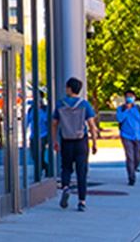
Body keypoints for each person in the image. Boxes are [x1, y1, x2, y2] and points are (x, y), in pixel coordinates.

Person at [52, 76, 98, 212]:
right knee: (81, 171)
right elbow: (91, 125)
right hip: (81, 141)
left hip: (66, 140)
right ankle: (81, 201)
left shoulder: (60, 104)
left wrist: (55, 140)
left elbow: (54, 123)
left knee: (66, 167)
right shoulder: (84, 105)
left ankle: (65, 187)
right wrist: (95, 142)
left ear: (69, 88)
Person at [116, 90, 140, 185]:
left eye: (131, 96)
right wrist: (127, 110)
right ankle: (131, 177)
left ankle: (135, 167)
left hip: (138, 136)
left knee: (137, 157)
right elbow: (119, 118)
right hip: (126, 135)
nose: (129, 98)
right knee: (130, 157)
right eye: (127, 96)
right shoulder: (121, 109)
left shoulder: (139, 109)